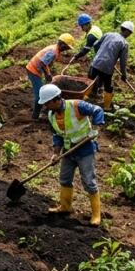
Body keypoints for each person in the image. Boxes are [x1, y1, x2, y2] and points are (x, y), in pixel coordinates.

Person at [37, 84, 106, 226]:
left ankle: (96, 215)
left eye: (47, 103)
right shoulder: (51, 115)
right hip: (68, 151)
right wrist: (55, 153)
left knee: (89, 181)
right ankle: (65, 206)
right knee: (64, 179)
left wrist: (95, 128)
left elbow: (97, 110)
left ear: (56, 100)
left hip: (85, 149)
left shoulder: (76, 105)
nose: (46, 106)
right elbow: (57, 135)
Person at [25, 34, 75, 120]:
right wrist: (47, 74)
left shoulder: (55, 49)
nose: (67, 49)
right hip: (33, 70)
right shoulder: (53, 51)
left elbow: (46, 63)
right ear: (62, 44)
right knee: (39, 96)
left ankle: (46, 106)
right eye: (67, 47)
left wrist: (48, 73)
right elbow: (42, 63)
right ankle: (35, 116)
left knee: (43, 88)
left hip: (36, 69)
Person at [88, 21, 133, 111]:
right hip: (107, 68)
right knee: (108, 87)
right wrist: (124, 75)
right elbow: (123, 62)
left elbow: (96, 44)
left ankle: (86, 102)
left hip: (96, 63)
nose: (130, 35)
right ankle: (106, 107)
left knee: (89, 83)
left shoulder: (108, 34)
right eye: (130, 33)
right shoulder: (124, 43)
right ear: (127, 31)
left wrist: (99, 54)